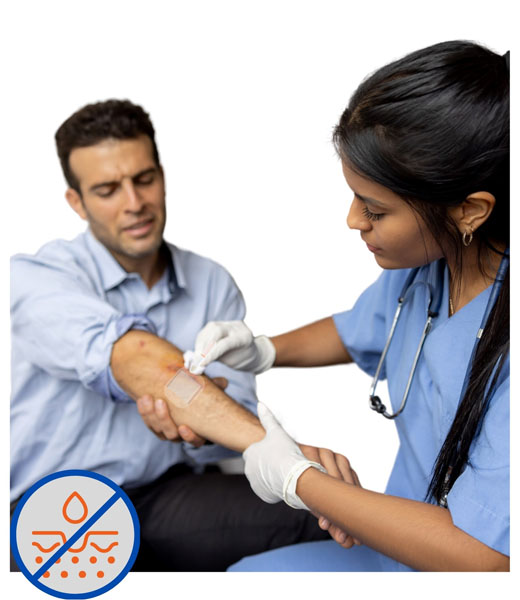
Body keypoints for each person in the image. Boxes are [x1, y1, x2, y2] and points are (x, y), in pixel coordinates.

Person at [181, 41, 510, 571]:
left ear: (469, 210)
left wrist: (299, 481)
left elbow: (487, 558)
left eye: (375, 209)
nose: (354, 221)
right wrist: (264, 349)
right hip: (391, 547)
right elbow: (361, 329)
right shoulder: (429, 270)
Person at [10, 99, 329, 572]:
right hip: (51, 501)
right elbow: (131, 356)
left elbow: (227, 422)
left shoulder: (211, 283)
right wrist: (291, 460)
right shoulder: (33, 277)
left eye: (143, 180)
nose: (134, 204)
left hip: (165, 494)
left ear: (161, 175)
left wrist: (200, 425)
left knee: (321, 517)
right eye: (106, 190)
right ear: (76, 202)